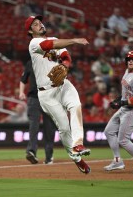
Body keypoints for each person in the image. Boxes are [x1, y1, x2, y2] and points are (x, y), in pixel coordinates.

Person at [24, 15, 91, 174]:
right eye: (35, 24)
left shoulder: (55, 38)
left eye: (40, 22)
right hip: (46, 94)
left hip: (63, 85)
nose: (39, 24)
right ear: (30, 30)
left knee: (76, 105)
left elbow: (65, 56)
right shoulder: (34, 43)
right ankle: (77, 159)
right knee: (63, 127)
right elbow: (50, 44)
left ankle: (78, 143)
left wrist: (65, 66)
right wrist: (74, 40)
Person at [103, 50, 133, 174]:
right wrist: (118, 100)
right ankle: (118, 161)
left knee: (123, 140)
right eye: (129, 59)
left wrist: (121, 103)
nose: (130, 61)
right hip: (124, 109)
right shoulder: (127, 72)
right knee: (109, 132)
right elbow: (126, 93)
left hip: (132, 111)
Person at [19, 60, 56, 165]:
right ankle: (31, 151)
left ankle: (49, 156)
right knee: (33, 126)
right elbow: (23, 79)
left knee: (49, 128)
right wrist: (21, 92)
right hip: (34, 99)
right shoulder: (31, 62)